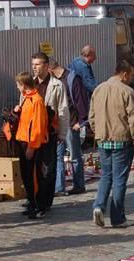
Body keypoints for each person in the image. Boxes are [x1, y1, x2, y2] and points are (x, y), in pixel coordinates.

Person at [90, 61, 134, 228]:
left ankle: (98, 206)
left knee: (106, 175)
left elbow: (92, 116)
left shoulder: (99, 89)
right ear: (124, 74)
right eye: (131, 75)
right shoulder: (127, 91)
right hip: (122, 139)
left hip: (103, 139)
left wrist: (98, 132)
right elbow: (133, 119)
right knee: (119, 179)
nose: (131, 79)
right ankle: (117, 217)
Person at [31, 52, 70, 212]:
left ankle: (45, 201)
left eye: (38, 64)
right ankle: (35, 198)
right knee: (33, 168)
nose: (35, 68)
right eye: (33, 64)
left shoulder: (56, 85)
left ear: (46, 66)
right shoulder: (30, 84)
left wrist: (62, 133)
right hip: (33, 133)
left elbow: (62, 109)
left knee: (48, 168)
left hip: (49, 132)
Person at [49, 59, 89, 196]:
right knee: (58, 156)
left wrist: (82, 121)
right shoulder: (53, 81)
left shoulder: (72, 79)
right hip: (58, 124)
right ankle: (59, 188)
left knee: (74, 155)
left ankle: (79, 185)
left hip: (71, 123)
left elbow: (80, 100)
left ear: (50, 69)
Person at [14, 72, 48, 219]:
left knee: (35, 176)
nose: (17, 87)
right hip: (23, 141)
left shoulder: (36, 100)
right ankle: (31, 202)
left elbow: (38, 126)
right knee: (26, 175)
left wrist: (32, 146)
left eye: (17, 84)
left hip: (31, 143)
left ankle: (38, 205)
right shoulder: (26, 99)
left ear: (23, 85)